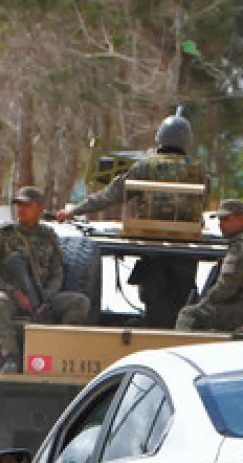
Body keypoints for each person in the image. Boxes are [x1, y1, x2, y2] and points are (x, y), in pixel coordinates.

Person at [57, 113, 208, 328]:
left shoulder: (145, 166)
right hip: (186, 243)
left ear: (160, 137)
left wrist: (75, 210)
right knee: (181, 293)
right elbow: (205, 199)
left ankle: (152, 324)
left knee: (153, 289)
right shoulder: (199, 169)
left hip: (150, 241)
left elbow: (111, 195)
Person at [0, 187, 90, 374]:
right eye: (19, 205)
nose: (21, 209)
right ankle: (11, 357)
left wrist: (46, 297)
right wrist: (15, 294)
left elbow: (58, 272)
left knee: (79, 302)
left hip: (43, 297)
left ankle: (59, 351)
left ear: (40, 209)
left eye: (27, 205)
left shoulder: (48, 236)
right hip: (13, 297)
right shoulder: (3, 234)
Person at [176, 199, 243, 332]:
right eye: (219, 220)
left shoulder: (241, 246)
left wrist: (203, 303)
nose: (220, 224)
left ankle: (180, 351)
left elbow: (227, 286)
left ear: (241, 218)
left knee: (190, 314)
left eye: (225, 219)